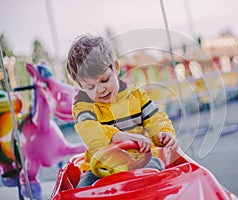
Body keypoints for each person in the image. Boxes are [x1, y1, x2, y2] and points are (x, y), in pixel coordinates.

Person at [66, 34, 178, 188]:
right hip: (102, 166)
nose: (100, 89)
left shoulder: (135, 96)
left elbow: (155, 118)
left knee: (151, 180)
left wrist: (163, 133)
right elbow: (88, 130)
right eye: (90, 87)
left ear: (116, 68)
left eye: (105, 80)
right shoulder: (83, 104)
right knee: (82, 191)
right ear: (80, 85)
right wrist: (117, 136)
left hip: (141, 158)